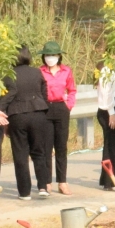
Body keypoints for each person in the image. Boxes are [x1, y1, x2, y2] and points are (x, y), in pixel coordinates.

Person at [0, 46, 50, 201]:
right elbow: (45, 93)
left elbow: (6, 96)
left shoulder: (9, 74)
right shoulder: (37, 72)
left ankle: (24, 192)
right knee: (39, 151)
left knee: (20, 154)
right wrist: (42, 107)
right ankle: (43, 187)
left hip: (17, 115)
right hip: (38, 113)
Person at [39, 41, 76, 196]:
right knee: (46, 147)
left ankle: (62, 181)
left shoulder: (66, 71)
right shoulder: (40, 71)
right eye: (47, 55)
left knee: (61, 146)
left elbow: (72, 90)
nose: (50, 58)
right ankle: (47, 181)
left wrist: (69, 105)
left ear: (59, 56)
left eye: (53, 55)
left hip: (61, 108)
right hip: (46, 109)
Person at [95, 61, 115, 191]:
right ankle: (109, 180)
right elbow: (107, 93)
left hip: (110, 108)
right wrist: (112, 113)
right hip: (109, 110)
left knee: (110, 145)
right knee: (110, 146)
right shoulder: (106, 71)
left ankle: (108, 180)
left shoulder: (109, 70)